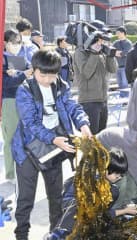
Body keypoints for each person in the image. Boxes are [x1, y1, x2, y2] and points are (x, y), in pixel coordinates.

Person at [11, 50, 92, 240]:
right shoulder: (25, 90)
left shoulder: (61, 85)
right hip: (27, 151)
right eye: (43, 75)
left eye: (52, 75)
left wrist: (83, 124)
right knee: (25, 200)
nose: (48, 80)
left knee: (56, 198)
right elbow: (30, 123)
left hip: (54, 150)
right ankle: (21, 235)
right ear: (34, 70)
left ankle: (55, 234)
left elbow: (73, 106)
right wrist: (54, 139)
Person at [44, 149, 137, 240]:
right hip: (70, 210)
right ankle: (57, 235)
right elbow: (92, 211)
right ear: (105, 167)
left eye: (121, 175)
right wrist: (124, 211)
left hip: (87, 217)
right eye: (116, 173)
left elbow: (101, 214)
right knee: (81, 209)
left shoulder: (112, 190)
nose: (119, 177)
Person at [97, 125, 137, 208]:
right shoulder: (131, 148)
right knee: (121, 177)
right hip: (101, 149)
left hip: (122, 146)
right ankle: (119, 206)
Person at [2, 29, 33, 182]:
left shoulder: (21, 58)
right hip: (9, 101)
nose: (16, 45)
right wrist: (23, 75)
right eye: (13, 42)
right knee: (10, 138)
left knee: (24, 137)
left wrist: (26, 73)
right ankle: (10, 173)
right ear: (4, 43)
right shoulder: (3, 60)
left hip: (24, 100)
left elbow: (30, 73)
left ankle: (23, 170)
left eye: (18, 42)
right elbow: (5, 84)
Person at [73, 30, 117, 134]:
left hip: (103, 99)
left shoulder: (101, 52)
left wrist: (110, 55)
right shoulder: (80, 52)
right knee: (91, 137)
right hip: (89, 101)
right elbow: (86, 73)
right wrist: (94, 53)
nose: (101, 43)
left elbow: (113, 69)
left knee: (102, 136)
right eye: (100, 40)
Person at [113, 26, 132, 97]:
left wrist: (118, 53)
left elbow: (122, 54)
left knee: (125, 84)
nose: (117, 35)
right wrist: (118, 53)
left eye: (118, 33)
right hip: (117, 67)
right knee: (120, 84)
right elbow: (111, 52)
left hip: (125, 67)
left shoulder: (128, 43)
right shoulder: (115, 43)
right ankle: (122, 99)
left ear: (123, 33)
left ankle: (126, 100)